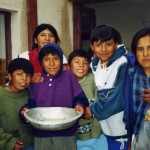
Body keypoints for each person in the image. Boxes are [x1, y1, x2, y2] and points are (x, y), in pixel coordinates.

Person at [21, 43, 90, 150]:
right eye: (47, 59)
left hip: (66, 135)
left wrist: (79, 105)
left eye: (55, 59)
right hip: (41, 136)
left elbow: (79, 98)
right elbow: (31, 106)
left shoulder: (68, 76)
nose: (52, 63)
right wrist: (25, 111)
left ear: (61, 60)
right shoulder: (38, 80)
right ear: (41, 63)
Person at [89, 24, 133, 150]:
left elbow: (118, 100)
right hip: (106, 131)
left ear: (116, 44)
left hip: (123, 132)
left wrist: (91, 110)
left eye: (108, 44)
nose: (103, 49)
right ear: (92, 47)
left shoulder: (123, 63)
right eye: (98, 45)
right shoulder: (94, 65)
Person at [68, 49, 108, 150]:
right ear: (69, 66)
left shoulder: (94, 79)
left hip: (97, 134)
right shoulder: (65, 84)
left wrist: (93, 111)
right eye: (77, 62)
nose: (81, 65)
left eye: (85, 63)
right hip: (76, 138)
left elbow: (102, 101)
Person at [124, 27, 150, 150]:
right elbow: (128, 111)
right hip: (139, 134)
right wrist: (130, 139)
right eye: (140, 49)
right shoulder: (130, 75)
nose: (146, 54)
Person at [0, 58, 34, 150]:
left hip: (30, 144)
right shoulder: (1, 95)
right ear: (10, 76)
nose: (24, 78)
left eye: (28, 75)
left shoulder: (31, 94)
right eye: (19, 74)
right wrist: (9, 142)